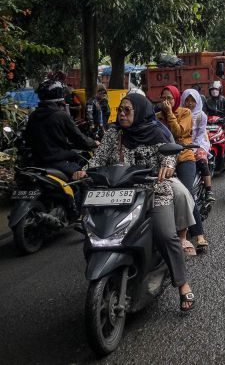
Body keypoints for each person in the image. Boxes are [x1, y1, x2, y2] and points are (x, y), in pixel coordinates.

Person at [72, 94, 195, 312]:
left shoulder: (157, 132)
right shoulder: (114, 133)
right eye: (120, 110)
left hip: (153, 191)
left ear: (140, 112)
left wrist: (167, 166)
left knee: (166, 235)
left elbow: (169, 154)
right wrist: (85, 170)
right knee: (95, 232)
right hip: (116, 193)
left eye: (127, 110)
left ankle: (182, 283)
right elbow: (99, 158)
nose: (121, 114)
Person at [157, 86, 207, 256]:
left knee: (186, 192)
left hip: (184, 156)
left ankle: (199, 235)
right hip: (164, 159)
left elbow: (178, 132)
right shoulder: (157, 117)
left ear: (176, 99)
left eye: (170, 98)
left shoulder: (185, 112)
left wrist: (170, 112)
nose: (166, 101)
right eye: (163, 98)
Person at [24, 80, 97, 183]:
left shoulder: (33, 116)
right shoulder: (61, 116)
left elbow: (28, 139)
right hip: (58, 163)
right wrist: (94, 143)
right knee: (85, 179)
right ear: (59, 95)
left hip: (36, 163)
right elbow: (79, 139)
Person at [182, 88, 215, 207]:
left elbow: (200, 134)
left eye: (192, 100)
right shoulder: (180, 113)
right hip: (182, 145)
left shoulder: (202, 116)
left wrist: (194, 147)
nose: (189, 103)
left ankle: (208, 190)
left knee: (201, 161)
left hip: (198, 143)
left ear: (197, 102)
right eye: (187, 100)